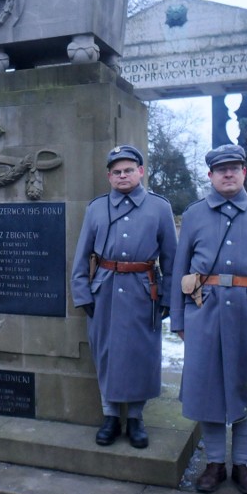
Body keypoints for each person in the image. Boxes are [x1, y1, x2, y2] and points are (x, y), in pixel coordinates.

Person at [170, 144, 247, 494]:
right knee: (207, 390)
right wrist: (179, 318)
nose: (228, 174)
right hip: (204, 313)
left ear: (244, 173)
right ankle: (214, 464)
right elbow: (179, 268)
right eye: (221, 169)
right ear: (209, 175)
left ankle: (242, 465)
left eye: (235, 168)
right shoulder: (194, 214)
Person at [71, 145, 177, 449]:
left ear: (140, 172)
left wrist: (168, 296)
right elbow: (81, 256)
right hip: (104, 290)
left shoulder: (159, 207)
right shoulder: (96, 208)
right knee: (106, 352)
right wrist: (82, 293)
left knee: (142, 354)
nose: (122, 175)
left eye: (128, 170)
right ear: (109, 176)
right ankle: (110, 416)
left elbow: (172, 257)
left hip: (145, 291)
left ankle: (136, 418)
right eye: (116, 171)